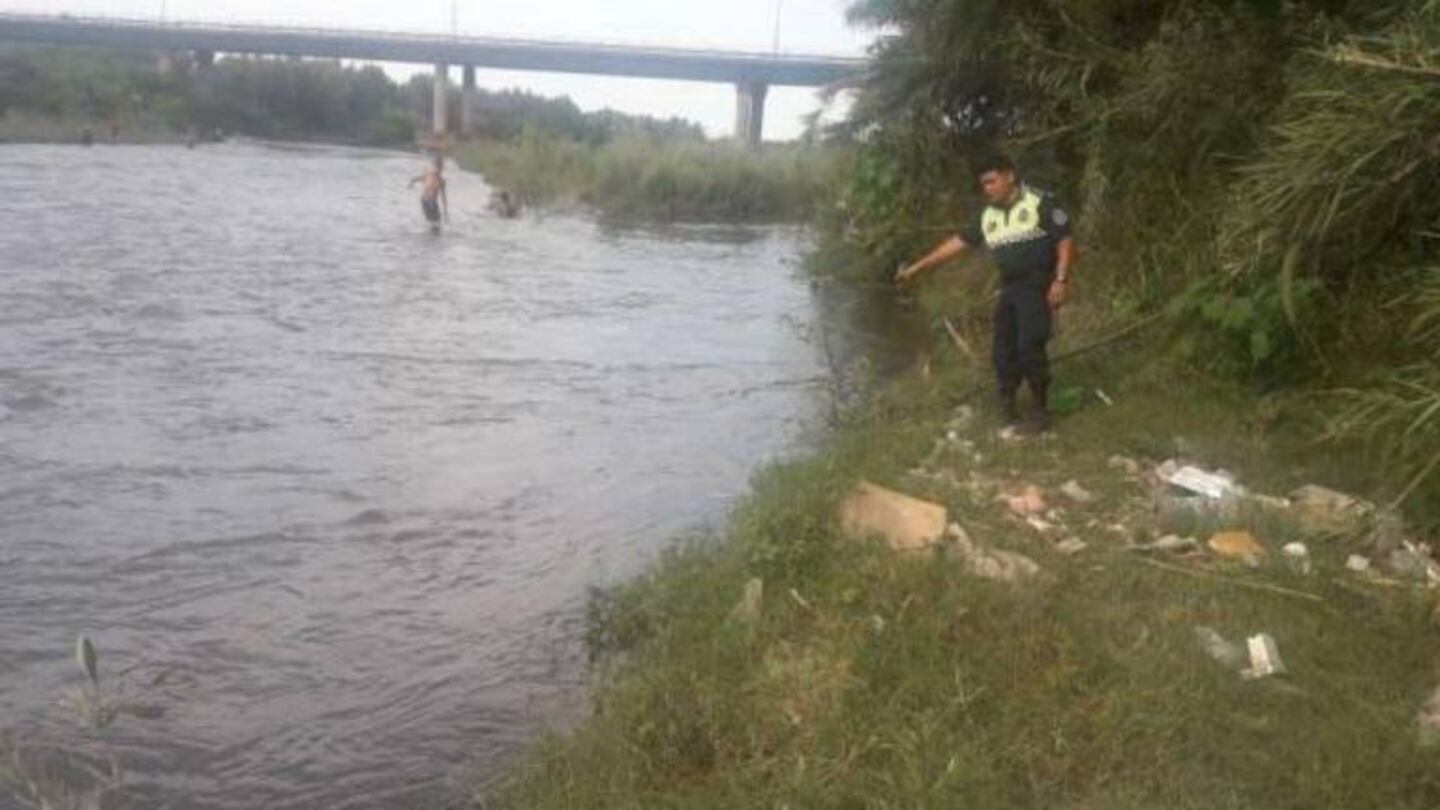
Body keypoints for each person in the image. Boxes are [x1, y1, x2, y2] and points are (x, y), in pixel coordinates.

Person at [897, 154, 1077, 434]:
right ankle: (1008, 406)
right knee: (1003, 350)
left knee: (1030, 346)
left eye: (992, 181)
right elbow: (956, 244)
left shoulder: (1040, 202)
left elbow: (1064, 240)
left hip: (1037, 285)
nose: (988, 188)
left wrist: (1061, 280)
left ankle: (1041, 411)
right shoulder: (987, 215)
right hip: (1009, 287)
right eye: (983, 184)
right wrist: (918, 268)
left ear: (1010, 176)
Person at [409, 154, 449, 233]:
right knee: (435, 223)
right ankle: (432, 238)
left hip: (425, 200)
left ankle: (430, 238)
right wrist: (445, 211)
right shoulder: (438, 179)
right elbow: (443, 197)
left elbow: (417, 179)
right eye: (440, 167)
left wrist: (412, 182)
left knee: (432, 223)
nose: (438, 169)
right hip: (429, 201)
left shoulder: (434, 177)